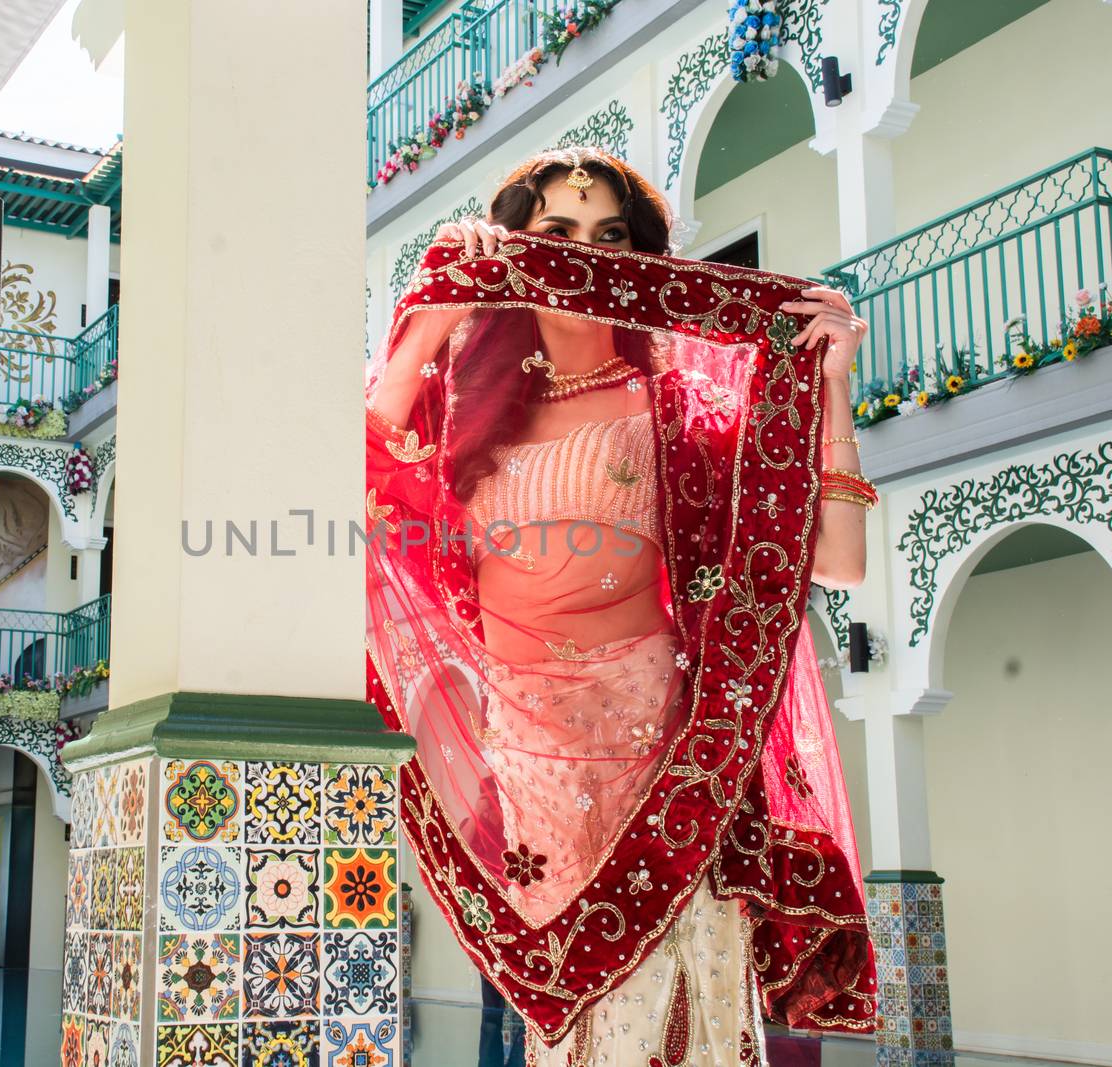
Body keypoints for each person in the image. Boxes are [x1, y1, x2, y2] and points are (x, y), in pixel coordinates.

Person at [364, 146, 878, 1065]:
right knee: (574, 1026)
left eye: (610, 238)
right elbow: (352, 476)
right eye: (555, 235)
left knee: (682, 1001)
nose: (584, 259)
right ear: (513, 249)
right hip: (528, 762)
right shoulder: (462, 413)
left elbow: (838, 561)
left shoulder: (677, 411)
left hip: (668, 761)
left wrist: (831, 382)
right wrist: (435, 316)